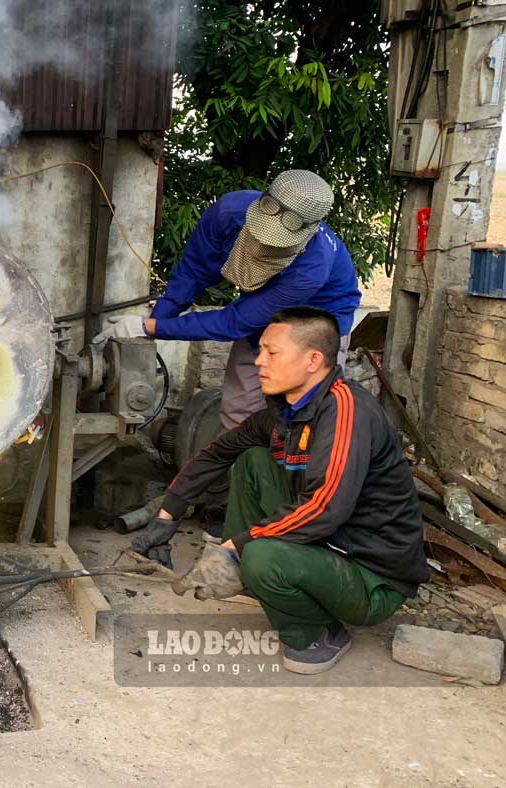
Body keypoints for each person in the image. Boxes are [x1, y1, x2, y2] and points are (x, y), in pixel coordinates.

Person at [130, 308, 429, 674]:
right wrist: (167, 515)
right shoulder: (285, 411)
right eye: (260, 351)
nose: (259, 361)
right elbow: (217, 453)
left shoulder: (345, 410)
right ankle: (260, 580)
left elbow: (324, 507)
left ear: (312, 360)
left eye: (272, 352)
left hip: (371, 576)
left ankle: (320, 634)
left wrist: (235, 547)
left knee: (261, 556)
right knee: (252, 460)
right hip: (332, 546)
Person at [109, 169, 361, 429]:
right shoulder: (228, 212)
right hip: (261, 310)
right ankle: (244, 465)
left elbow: (235, 322)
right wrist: (155, 321)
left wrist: (150, 327)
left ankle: (294, 465)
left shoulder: (311, 268)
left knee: (305, 413)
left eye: (275, 244)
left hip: (318, 320)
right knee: (238, 408)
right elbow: (194, 270)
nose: (264, 244)